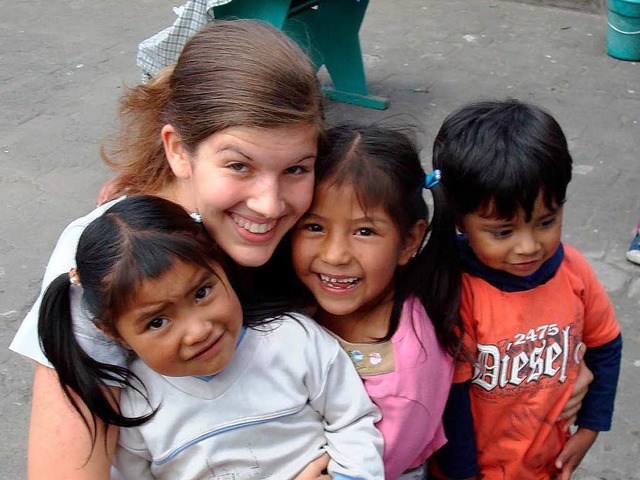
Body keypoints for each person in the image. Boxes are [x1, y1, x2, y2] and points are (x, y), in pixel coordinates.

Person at [9, 19, 326, 479]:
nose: (270, 203)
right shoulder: (110, 257)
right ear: (178, 150)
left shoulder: (320, 214)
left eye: (297, 168)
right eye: (239, 166)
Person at [37, 195, 384, 479]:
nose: (198, 330)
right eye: (157, 322)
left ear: (221, 266)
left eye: (202, 293)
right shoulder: (134, 406)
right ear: (114, 333)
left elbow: (352, 419)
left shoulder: (293, 340)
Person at [430, 99, 623, 480]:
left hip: (547, 465)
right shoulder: (454, 291)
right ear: (459, 221)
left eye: (546, 221)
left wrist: (589, 429)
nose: (528, 246)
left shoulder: (574, 271)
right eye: (503, 231)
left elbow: (606, 345)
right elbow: (452, 402)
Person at [290, 123, 463, 480]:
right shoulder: (296, 300)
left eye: (364, 231)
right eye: (314, 226)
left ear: (409, 241)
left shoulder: (402, 377)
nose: (335, 255)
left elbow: (368, 470)